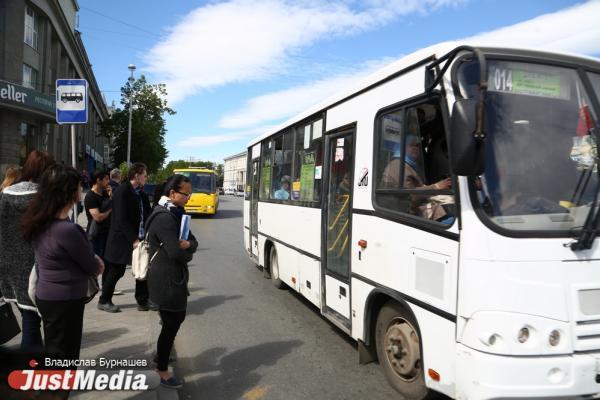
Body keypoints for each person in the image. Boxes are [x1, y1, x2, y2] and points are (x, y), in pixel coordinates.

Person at [21, 164, 104, 361]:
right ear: (68, 191)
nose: (81, 190)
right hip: (65, 300)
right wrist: (97, 263)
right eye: (78, 186)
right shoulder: (68, 230)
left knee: (55, 349)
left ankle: (51, 387)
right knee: (65, 356)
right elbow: (93, 266)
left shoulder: (40, 220)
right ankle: (56, 390)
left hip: (48, 295)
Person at [0, 150, 55, 352]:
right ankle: (30, 370)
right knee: (34, 322)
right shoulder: (45, 198)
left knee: (27, 317)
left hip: (8, 265)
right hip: (35, 266)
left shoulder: (6, 193)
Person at [147, 174, 198, 388]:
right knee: (172, 321)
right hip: (166, 279)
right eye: (186, 194)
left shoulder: (176, 214)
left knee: (172, 321)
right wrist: (188, 251)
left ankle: (162, 355)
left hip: (172, 277)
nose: (189, 198)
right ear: (172, 193)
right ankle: (161, 370)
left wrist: (189, 246)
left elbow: (193, 241)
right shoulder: (164, 217)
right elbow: (176, 252)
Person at [101, 163, 152, 313]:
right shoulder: (123, 191)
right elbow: (121, 219)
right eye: (144, 174)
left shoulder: (141, 193)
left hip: (140, 238)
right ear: (136, 175)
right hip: (122, 239)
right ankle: (104, 300)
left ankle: (142, 301)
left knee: (142, 268)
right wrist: (133, 239)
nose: (146, 177)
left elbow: (146, 215)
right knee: (117, 270)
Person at [382, 134, 451, 220]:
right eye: (411, 145)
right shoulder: (398, 166)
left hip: (414, 209)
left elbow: (416, 188)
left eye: (417, 145)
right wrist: (436, 187)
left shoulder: (408, 164)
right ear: (402, 147)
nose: (416, 148)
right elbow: (410, 197)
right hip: (406, 215)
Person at [84, 169, 113, 258]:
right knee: (95, 263)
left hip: (106, 233)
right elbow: (98, 217)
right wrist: (111, 209)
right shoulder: (90, 196)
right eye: (106, 179)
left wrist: (111, 196)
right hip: (96, 235)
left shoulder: (105, 193)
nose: (108, 182)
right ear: (98, 180)